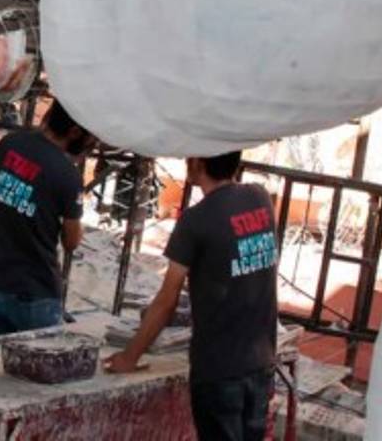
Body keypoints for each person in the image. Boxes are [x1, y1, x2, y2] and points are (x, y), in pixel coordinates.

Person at [104, 151, 278, 441]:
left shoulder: (196, 221)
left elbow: (167, 299)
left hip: (220, 368)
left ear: (197, 163)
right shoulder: (260, 198)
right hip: (260, 360)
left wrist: (129, 356)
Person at [0, 99, 92, 339]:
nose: (91, 144)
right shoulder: (67, 175)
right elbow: (72, 241)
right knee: (40, 365)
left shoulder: (8, 144)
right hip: (36, 291)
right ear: (75, 132)